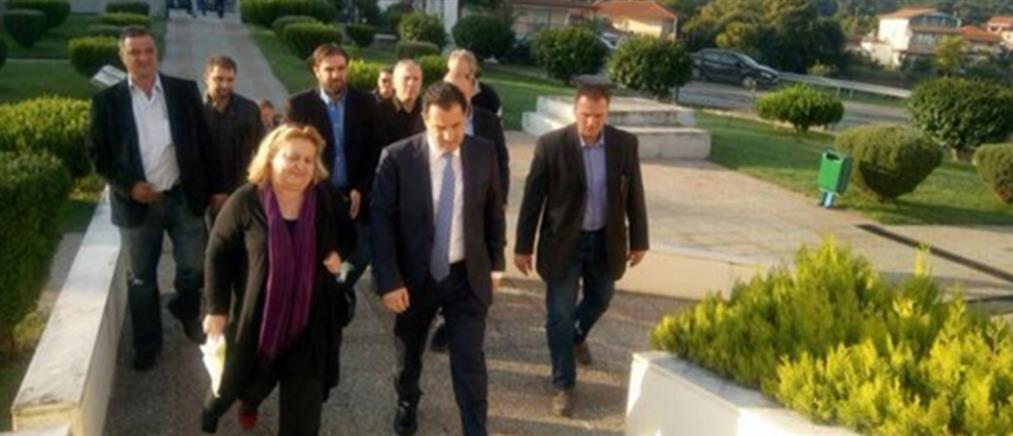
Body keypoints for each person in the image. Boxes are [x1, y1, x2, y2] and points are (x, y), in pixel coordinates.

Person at [201, 123, 356, 435]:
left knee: (303, 409)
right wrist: (217, 309)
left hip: (311, 319)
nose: (301, 166)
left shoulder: (325, 198)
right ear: (271, 157)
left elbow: (351, 236)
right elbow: (218, 252)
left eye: (308, 160)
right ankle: (224, 407)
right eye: (292, 157)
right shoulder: (246, 200)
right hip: (259, 318)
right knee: (241, 381)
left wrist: (339, 254)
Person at [371, 82, 506, 436]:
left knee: (469, 360)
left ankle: (475, 429)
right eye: (440, 127)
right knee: (408, 354)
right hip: (414, 279)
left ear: (466, 116)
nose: (449, 135)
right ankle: (407, 400)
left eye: (456, 125)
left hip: (466, 276)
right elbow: (381, 223)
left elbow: (493, 212)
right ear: (424, 119)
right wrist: (389, 280)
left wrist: (496, 263)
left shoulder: (483, 153)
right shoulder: (398, 157)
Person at [88, 26, 224, 371]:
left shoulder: (183, 91)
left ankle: (186, 309)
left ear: (156, 53)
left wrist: (217, 188)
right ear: (122, 57)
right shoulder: (107, 102)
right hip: (137, 204)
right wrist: (129, 186)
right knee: (142, 279)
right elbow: (98, 156)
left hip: (182, 196)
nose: (143, 58)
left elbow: (205, 142)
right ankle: (147, 344)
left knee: (194, 266)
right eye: (134, 52)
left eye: (148, 50)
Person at [513, 84, 649, 417]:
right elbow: (532, 200)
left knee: (601, 298)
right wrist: (523, 246)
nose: (591, 122)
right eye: (586, 115)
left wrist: (640, 239)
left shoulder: (624, 144)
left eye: (599, 116)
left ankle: (575, 335)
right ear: (575, 111)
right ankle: (563, 384)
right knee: (558, 314)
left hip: (605, 241)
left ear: (607, 113)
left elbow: (635, 194)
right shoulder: (551, 145)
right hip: (563, 243)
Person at [429, 54, 510, 353]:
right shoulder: (431, 114)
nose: (453, 80)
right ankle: (441, 315)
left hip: (476, 206)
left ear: (471, 81)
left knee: (468, 269)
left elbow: (501, 162)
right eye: (449, 73)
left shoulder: (488, 121)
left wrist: (500, 199)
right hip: (440, 203)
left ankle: (452, 323)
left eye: (461, 75)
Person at [286, 43, 381, 292]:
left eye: (341, 68)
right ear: (316, 70)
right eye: (329, 69)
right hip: (317, 194)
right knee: (320, 254)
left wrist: (361, 187)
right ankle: (323, 295)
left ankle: (340, 293)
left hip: (356, 195)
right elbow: (293, 155)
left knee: (361, 252)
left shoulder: (366, 102)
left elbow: (374, 152)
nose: (336, 75)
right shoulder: (298, 106)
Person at [203, 55, 265, 220]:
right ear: (206, 78)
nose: (225, 85)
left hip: (239, 192)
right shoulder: (194, 109)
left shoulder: (249, 110)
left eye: (230, 80)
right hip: (201, 195)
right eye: (219, 79)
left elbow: (263, 149)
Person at [376, 59, 424, 146]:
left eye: (416, 79)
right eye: (406, 78)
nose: (411, 83)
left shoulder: (427, 111)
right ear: (394, 83)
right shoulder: (379, 112)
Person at [446, 50, 502, 119]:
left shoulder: (489, 97)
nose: (453, 78)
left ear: (471, 75)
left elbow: (497, 122)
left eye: (459, 75)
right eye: (451, 73)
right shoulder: (443, 93)